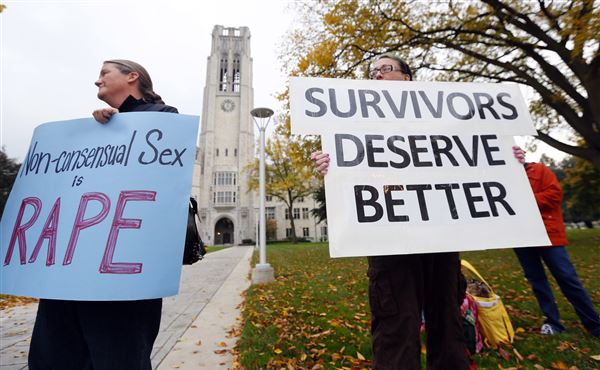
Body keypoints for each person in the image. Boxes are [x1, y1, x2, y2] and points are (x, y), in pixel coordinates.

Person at [311, 54, 526, 370]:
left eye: (386, 69)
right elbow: (350, 167)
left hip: (440, 233)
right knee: (395, 320)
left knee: (447, 316)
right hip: (389, 233)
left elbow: (472, 155)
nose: (377, 75)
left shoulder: (441, 117)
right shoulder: (355, 123)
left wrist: (509, 159)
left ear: (408, 78)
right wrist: (329, 164)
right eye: (372, 72)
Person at [28, 59, 178, 370]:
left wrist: (121, 128)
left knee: (116, 352)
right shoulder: (94, 131)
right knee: (56, 352)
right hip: (72, 262)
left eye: (104, 74)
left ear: (132, 76)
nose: (97, 81)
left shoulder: (162, 118)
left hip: (119, 269)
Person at [515, 162, 600, 337]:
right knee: (536, 280)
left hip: (549, 235)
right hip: (521, 236)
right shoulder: (500, 177)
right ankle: (553, 322)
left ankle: (594, 324)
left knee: (566, 277)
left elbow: (554, 195)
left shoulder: (539, 170)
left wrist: (525, 200)